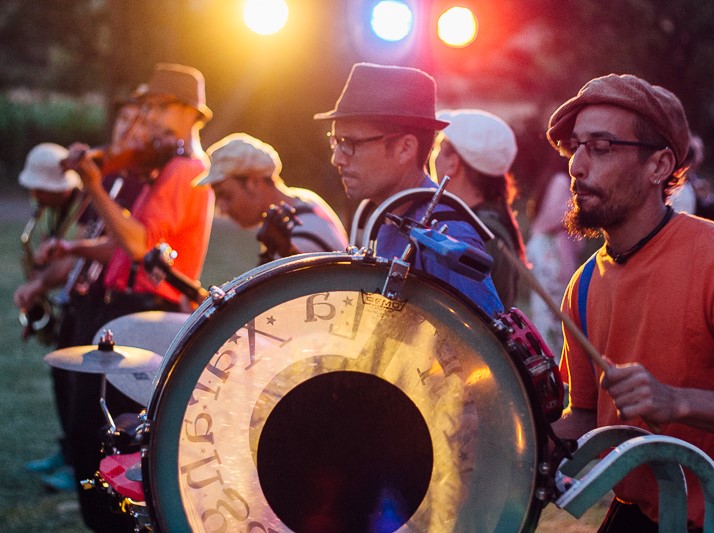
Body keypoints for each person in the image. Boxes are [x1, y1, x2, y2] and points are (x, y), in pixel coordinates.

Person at [547, 73, 714, 531]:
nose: (577, 167)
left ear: (659, 165)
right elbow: (585, 415)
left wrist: (677, 401)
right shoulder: (583, 284)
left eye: (601, 147)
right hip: (639, 514)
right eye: (575, 147)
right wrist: (511, 434)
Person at [57, 62, 214, 532]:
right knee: (86, 434)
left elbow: (141, 243)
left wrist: (94, 184)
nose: (148, 117)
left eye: (159, 107)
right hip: (119, 308)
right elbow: (122, 245)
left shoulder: (186, 170)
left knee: (110, 437)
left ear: (189, 113)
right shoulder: (159, 166)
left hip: (147, 313)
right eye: (145, 107)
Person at [314, 62, 503, 317]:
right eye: (335, 142)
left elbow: (485, 349)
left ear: (405, 148)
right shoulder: (377, 217)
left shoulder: (447, 235)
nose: (337, 158)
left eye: (349, 143)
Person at [13, 142, 85, 491]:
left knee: (77, 385)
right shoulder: (50, 209)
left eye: (41, 189)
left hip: (87, 302)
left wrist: (40, 281)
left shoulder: (85, 206)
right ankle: (66, 450)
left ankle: (77, 463)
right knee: (60, 378)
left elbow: (74, 261)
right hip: (66, 301)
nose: (36, 195)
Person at [196, 132, 348, 262]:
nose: (222, 209)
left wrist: (287, 252)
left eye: (226, 196)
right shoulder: (304, 198)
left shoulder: (297, 238)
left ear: (254, 181)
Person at [429, 108, 527, 309]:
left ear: (453, 164)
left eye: (438, 149)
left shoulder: (470, 234)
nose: (432, 157)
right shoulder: (494, 223)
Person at [525, 165, 583, 358]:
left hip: (544, 251)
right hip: (550, 254)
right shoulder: (561, 181)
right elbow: (559, 217)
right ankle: (553, 362)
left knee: (546, 311)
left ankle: (547, 359)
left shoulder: (553, 179)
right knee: (552, 313)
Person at [668, 133, 714, 221]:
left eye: (701, 151)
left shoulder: (700, 183)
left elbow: (713, 220)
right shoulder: (670, 179)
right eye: (694, 151)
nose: (698, 157)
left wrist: (706, 199)